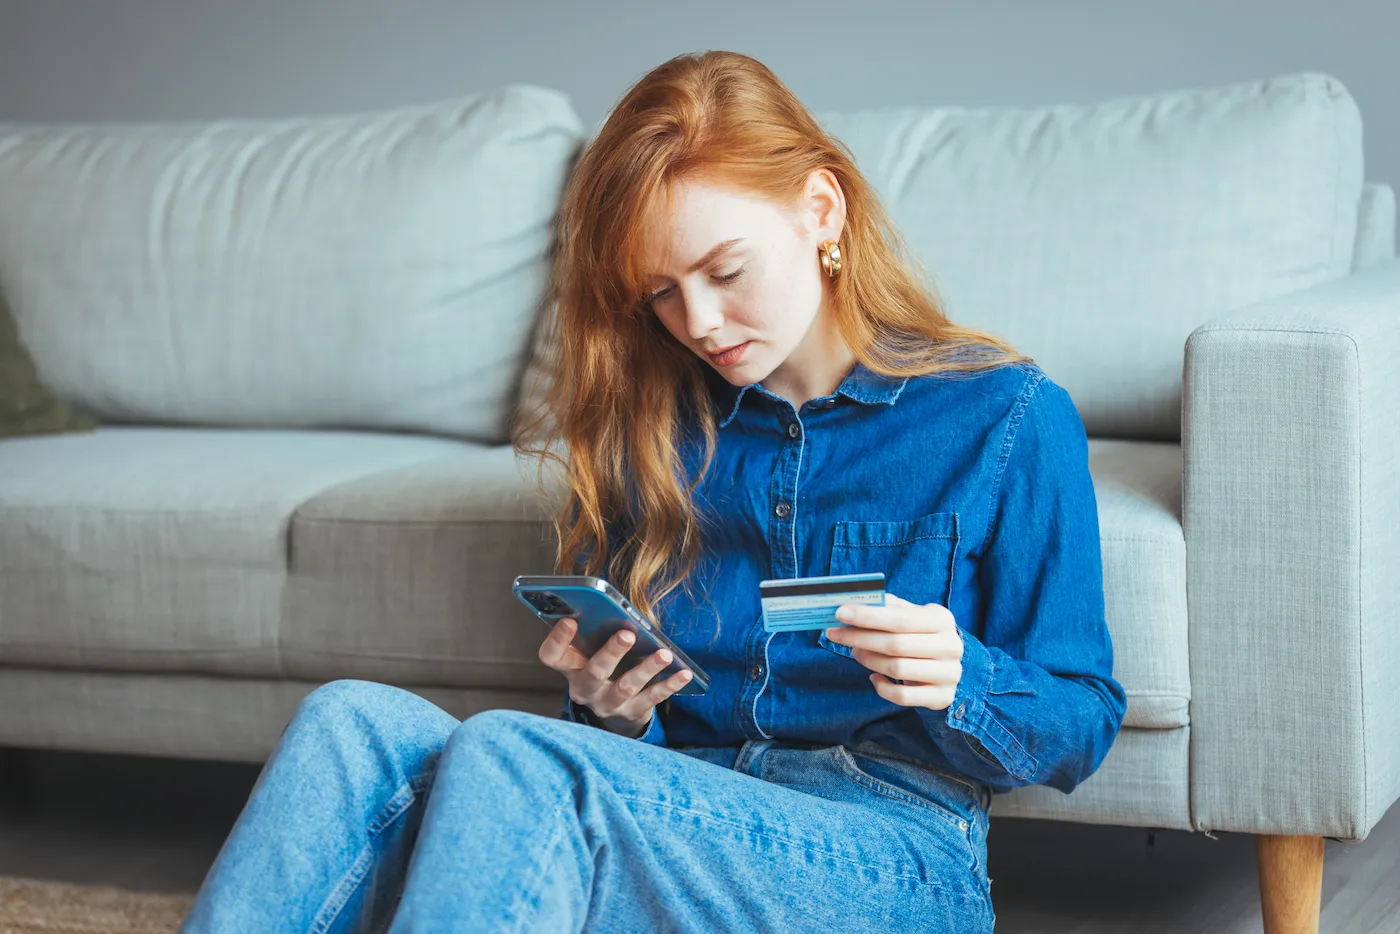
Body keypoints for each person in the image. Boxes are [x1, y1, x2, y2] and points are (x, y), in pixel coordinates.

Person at [180, 50, 1127, 933]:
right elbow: (614, 760)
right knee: (350, 724)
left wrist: (964, 675)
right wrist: (611, 710)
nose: (699, 322)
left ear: (822, 210)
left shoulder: (1005, 415)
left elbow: (1083, 716)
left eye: (725, 271)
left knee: (518, 756)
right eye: (662, 294)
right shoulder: (661, 433)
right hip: (680, 808)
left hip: (891, 848)